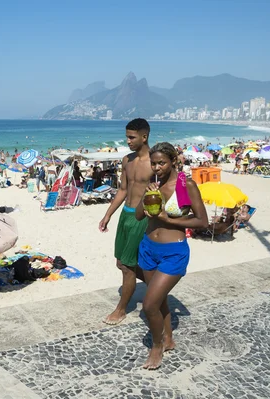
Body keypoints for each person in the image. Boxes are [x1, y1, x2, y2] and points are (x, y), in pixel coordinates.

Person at [134, 142, 207, 369]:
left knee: (149, 305)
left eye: (162, 163)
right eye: (154, 163)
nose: (157, 168)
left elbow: (202, 221)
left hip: (173, 252)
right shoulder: (152, 184)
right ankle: (168, 338)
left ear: (174, 161)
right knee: (159, 300)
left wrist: (169, 220)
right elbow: (138, 216)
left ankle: (156, 347)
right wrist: (145, 197)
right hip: (148, 248)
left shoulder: (186, 185)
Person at [99, 118, 153, 325]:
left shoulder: (154, 163)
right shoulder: (126, 160)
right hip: (125, 214)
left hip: (142, 217)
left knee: (128, 266)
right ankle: (156, 284)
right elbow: (123, 190)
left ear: (144, 136)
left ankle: (121, 310)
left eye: (132, 137)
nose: (128, 141)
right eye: (127, 137)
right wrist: (108, 214)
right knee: (121, 262)